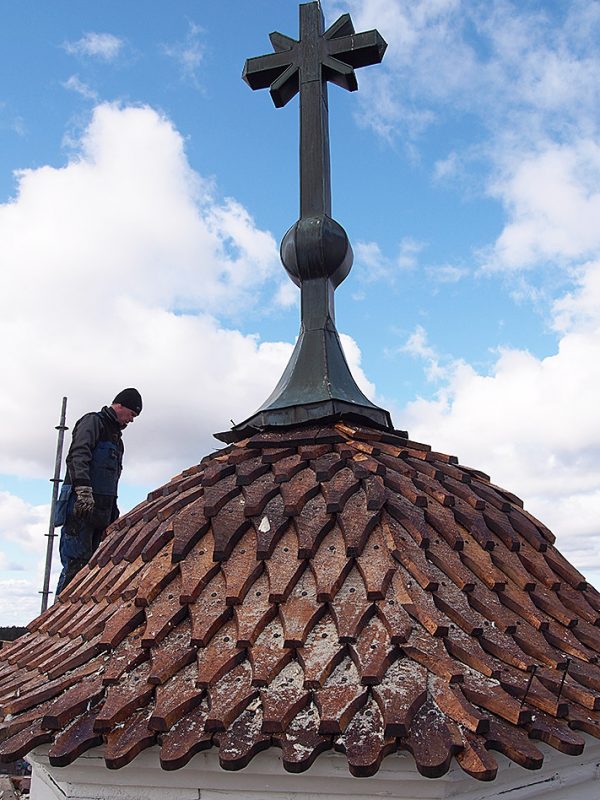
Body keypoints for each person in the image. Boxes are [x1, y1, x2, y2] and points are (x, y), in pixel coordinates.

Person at [55, 388, 142, 594]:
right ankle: (58, 618)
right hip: (80, 507)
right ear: (119, 406)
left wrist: (113, 512)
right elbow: (78, 454)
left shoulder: (116, 439)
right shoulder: (93, 422)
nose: (131, 420)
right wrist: (83, 489)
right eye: (131, 414)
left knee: (92, 570)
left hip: (101, 512)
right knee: (75, 565)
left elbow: (111, 479)